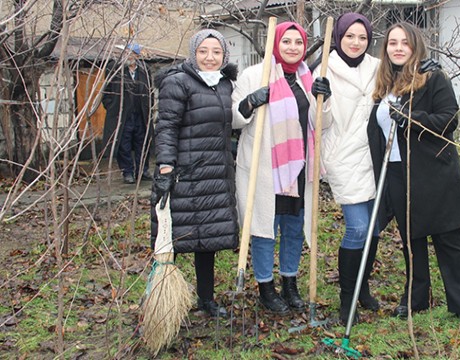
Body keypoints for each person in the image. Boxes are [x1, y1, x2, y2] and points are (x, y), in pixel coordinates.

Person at [367, 22, 460, 335]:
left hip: (433, 173)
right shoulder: (385, 83)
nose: (399, 47)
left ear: (415, 46)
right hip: (397, 172)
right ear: (386, 48)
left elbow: (448, 120)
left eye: (405, 42)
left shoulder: (434, 78)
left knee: (448, 240)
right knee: (412, 241)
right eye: (393, 43)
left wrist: (410, 118)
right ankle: (417, 299)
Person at [232, 21, 332, 315]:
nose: (292, 47)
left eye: (298, 43)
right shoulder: (255, 74)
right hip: (265, 168)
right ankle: (266, 287)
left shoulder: (308, 78)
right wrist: (250, 103)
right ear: (275, 44)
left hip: (299, 167)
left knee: (293, 227)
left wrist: (324, 100)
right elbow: (233, 117)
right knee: (265, 228)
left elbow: (323, 124)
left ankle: (290, 282)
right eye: (286, 42)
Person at [150, 29, 239, 317]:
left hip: (214, 174)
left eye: (216, 52)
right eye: (203, 51)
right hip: (184, 175)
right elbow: (166, 127)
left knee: (207, 240)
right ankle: (163, 300)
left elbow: (224, 125)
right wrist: (165, 167)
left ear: (224, 55)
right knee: (172, 239)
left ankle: (206, 299)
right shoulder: (178, 82)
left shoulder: (224, 84)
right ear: (193, 53)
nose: (210, 58)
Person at [312, 13, 380, 325]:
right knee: (358, 227)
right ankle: (346, 298)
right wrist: (320, 99)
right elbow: (316, 125)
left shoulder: (378, 68)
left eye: (362, 37)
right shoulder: (326, 69)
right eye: (350, 36)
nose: (356, 43)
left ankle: (363, 289)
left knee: (375, 228)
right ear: (339, 37)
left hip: (376, 155)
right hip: (343, 155)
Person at [102, 43, 153, 184]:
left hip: (140, 114)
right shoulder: (114, 69)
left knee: (142, 142)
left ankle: (142, 170)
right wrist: (112, 107)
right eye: (125, 54)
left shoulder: (144, 70)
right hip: (122, 115)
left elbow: (150, 92)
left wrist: (149, 107)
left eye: (130, 54)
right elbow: (106, 93)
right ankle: (127, 172)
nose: (127, 57)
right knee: (123, 143)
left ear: (137, 56)